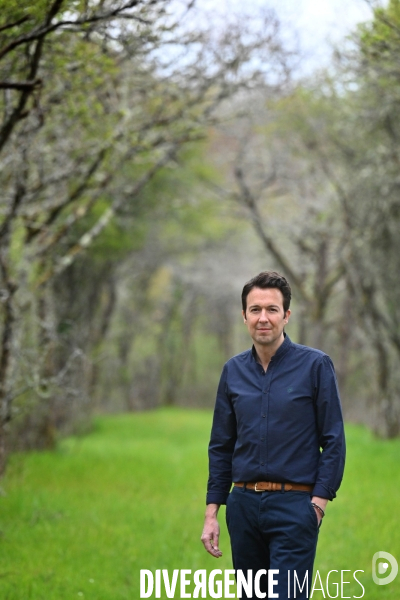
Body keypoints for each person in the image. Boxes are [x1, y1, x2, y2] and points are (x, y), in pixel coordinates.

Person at [201, 271, 345, 599]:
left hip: (295, 507)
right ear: (244, 316)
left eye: (272, 309)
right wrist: (213, 512)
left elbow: (334, 439)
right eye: (255, 310)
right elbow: (221, 446)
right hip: (243, 507)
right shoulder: (232, 372)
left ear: (286, 315)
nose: (263, 318)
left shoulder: (315, 366)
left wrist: (317, 506)